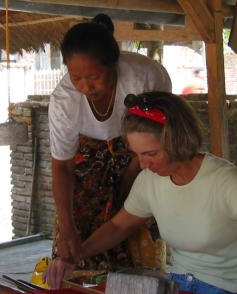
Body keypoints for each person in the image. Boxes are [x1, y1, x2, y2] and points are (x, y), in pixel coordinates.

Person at [46, 91, 237, 294]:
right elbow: (118, 227)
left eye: (151, 153)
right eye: (137, 155)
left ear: (177, 140)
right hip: (178, 293)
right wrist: (74, 257)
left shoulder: (226, 181)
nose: (143, 165)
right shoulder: (150, 181)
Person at [49, 14, 171, 272]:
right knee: (75, 247)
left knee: (137, 237)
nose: (85, 86)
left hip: (141, 156)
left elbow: (157, 136)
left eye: (94, 77)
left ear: (114, 64)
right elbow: (62, 166)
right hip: (85, 171)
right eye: (75, 77)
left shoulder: (145, 77)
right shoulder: (63, 101)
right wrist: (67, 226)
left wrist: (129, 180)